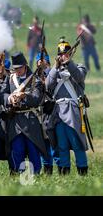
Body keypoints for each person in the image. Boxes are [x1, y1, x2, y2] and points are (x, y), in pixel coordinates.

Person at [45, 38, 89, 175]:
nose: (63, 56)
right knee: (62, 145)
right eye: (61, 54)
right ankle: (64, 173)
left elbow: (79, 77)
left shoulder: (79, 67)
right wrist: (55, 66)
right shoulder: (54, 71)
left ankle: (82, 171)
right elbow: (48, 85)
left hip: (73, 111)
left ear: (70, 54)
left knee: (77, 144)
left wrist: (68, 63)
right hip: (58, 113)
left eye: (65, 54)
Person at [2, 52, 47, 174]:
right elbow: (3, 94)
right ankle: (19, 173)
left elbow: (37, 98)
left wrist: (24, 96)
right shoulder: (10, 79)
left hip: (30, 118)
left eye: (19, 68)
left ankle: (35, 174)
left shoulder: (34, 79)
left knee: (33, 149)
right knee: (17, 149)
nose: (17, 71)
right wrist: (9, 99)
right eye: (15, 69)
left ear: (25, 66)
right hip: (15, 119)